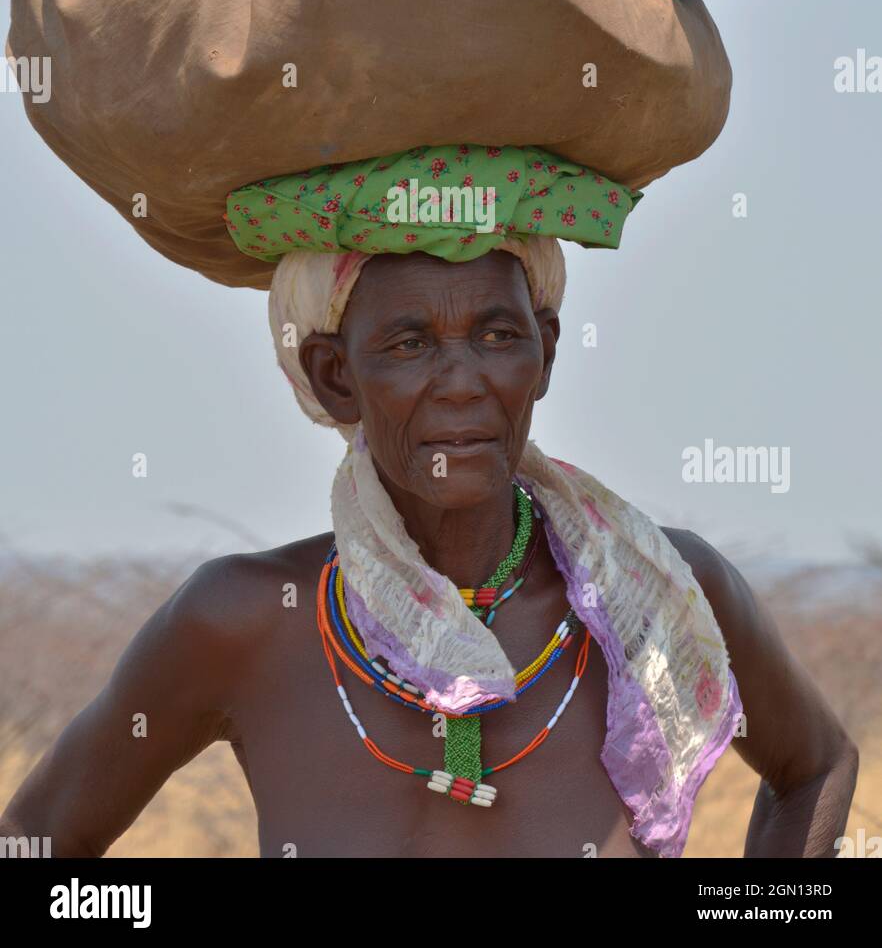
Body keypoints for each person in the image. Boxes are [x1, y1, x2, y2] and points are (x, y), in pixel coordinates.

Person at [0, 146, 858, 858]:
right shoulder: (245, 622)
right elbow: (36, 841)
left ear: (546, 354)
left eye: (497, 336)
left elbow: (813, 769)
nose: (462, 384)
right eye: (409, 344)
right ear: (336, 377)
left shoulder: (657, 602)